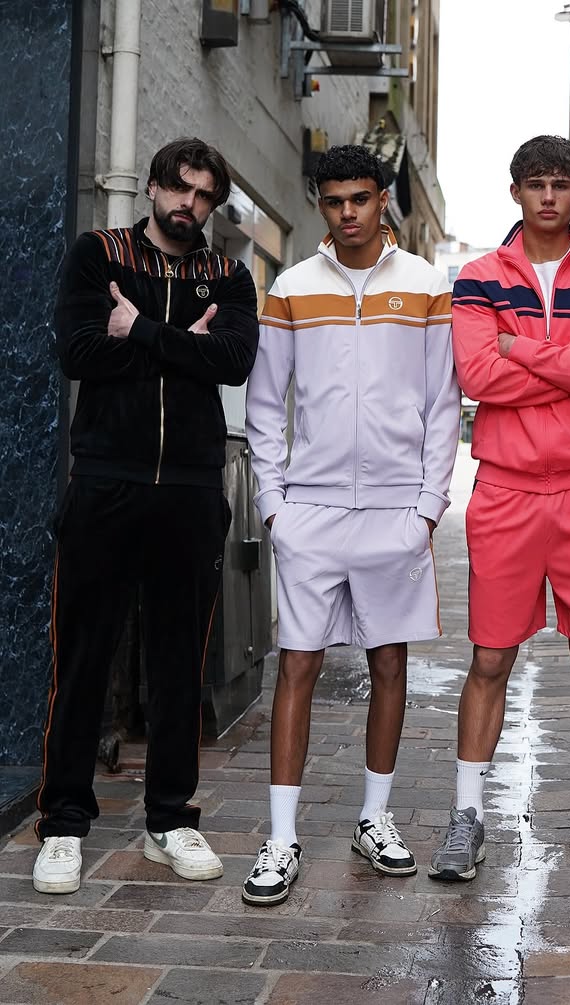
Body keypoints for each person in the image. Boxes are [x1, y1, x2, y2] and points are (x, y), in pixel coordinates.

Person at [36, 137, 259, 894]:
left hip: (191, 493)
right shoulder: (97, 254)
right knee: (83, 659)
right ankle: (63, 822)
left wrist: (144, 334)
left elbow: (232, 361)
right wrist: (180, 347)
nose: (189, 206)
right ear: (155, 187)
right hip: (106, 482)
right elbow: (78, 352)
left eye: (203, 196)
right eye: (179, 189)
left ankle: (170, 818)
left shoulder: (227, 273)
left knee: (175, 664)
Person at [241, 145, 459, 905]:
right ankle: (280, 837)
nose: (347, 213)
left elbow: (442, 404)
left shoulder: (429, 286)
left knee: (389, 663)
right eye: (333, 201)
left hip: (396, 510)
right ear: (319, 203)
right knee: (295, 665)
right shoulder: (294, 287)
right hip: (312, 511)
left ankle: (375, 817)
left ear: (384, 199)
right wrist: (276, 505)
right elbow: (266, 404)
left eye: (360, 199)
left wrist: (428, 506)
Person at [429, 135, 570, 882]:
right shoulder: (480, 277)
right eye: (535, 184)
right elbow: (476, 373)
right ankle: (467, 816)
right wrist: (567, 367)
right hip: (507, 488)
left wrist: (523, 350)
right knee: (491, 656)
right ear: (516, 192)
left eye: (560, 184)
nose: (548, 196)